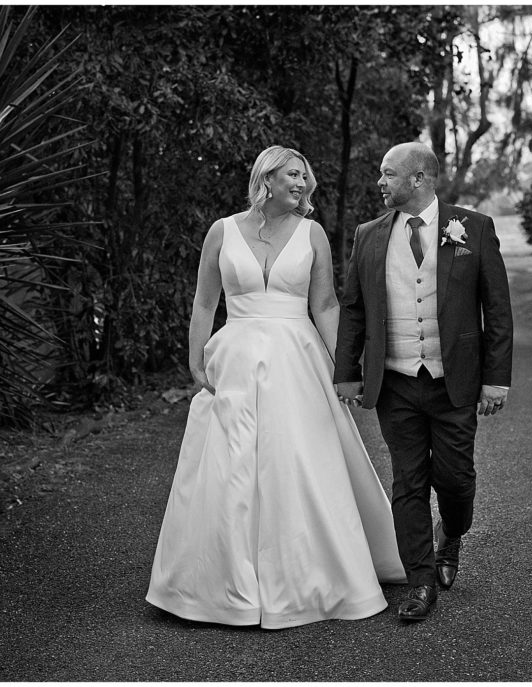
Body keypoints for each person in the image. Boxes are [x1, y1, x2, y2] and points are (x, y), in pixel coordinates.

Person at [146, 146, 406, 630]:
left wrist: (345, 366)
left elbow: (326, 305)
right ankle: (217, 586)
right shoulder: (221, 231)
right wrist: (194, 356)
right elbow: (205, 303)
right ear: (266, 177)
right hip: (236, 359)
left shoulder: (313, 235)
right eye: (293, 174)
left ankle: (309, 579)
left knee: (299, 463)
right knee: (229, 468)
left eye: (305, 177)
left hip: (297, 359)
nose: (303, 183)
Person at [334, 142, 513, 622]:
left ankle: (451, 534)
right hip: (395, 382)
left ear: (418, 179)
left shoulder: (472, 227)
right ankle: (420, 581)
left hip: (453, 380)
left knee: (455, 479)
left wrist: (496, 380)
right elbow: (353, 308)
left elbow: (496, 308)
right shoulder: (368, 235)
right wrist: (347, 371)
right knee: (408, 482)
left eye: (388, 174)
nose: (380, 182)